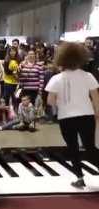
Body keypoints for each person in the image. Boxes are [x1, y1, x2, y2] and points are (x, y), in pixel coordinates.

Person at [46, 42, 99, 188]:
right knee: (90, 147)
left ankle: (79, 178)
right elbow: (96, 98)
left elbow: (50, 101)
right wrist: (97, 115)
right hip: (87, 116)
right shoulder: (88, 76)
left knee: (72, 148)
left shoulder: (56, 79)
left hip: (66, 118)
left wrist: (61, 105)